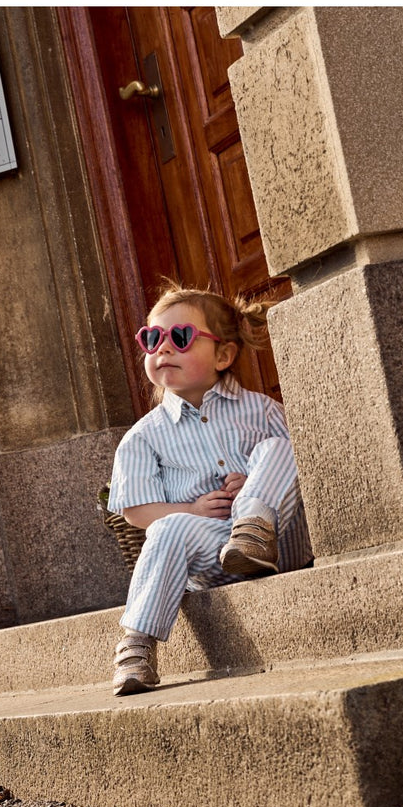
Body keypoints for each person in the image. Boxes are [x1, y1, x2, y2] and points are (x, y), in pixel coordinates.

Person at [107, 283, 311, 696]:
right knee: (166, 529)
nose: (162, 348)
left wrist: (254, 484)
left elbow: (306, 468)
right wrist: (192, 510)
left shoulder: (262, 410)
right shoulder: (144, 436)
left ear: (223, 355)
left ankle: (254, 531)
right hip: (211, 548)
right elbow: (136, 512)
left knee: (279, 446)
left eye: (179, 338)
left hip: (279, 539)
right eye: (152, 339)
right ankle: (136, 646)